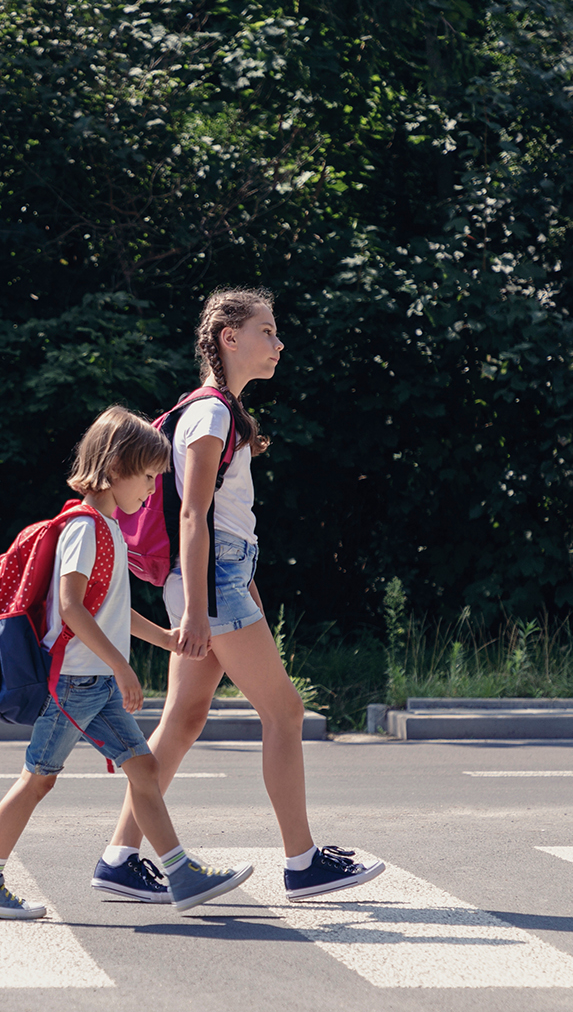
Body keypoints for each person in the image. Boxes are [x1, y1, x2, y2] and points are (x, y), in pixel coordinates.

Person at [89, 289, 385, 904]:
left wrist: (233, 585)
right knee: (285, 713)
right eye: (267, 331)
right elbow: (194, 515)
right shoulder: (213, 413)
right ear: (229, 337)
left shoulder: (217, 413)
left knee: (185, 718)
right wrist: (200, 608)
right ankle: (303, 863)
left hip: (220, 577)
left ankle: (119, 857)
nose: (278, 344)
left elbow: (218, 517)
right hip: (210, 581)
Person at [0, 407, 255, 919]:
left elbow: (112, 610)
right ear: (114, 468)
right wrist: (122, 667)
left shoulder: (109, 530)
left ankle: (180, 874)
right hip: (74, 684)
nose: (150, 492)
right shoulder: (84, 527)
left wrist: (165, 638)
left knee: (143, 768)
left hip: (90, 683)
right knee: (39, 780)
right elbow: (73, 607)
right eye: (146, 478)